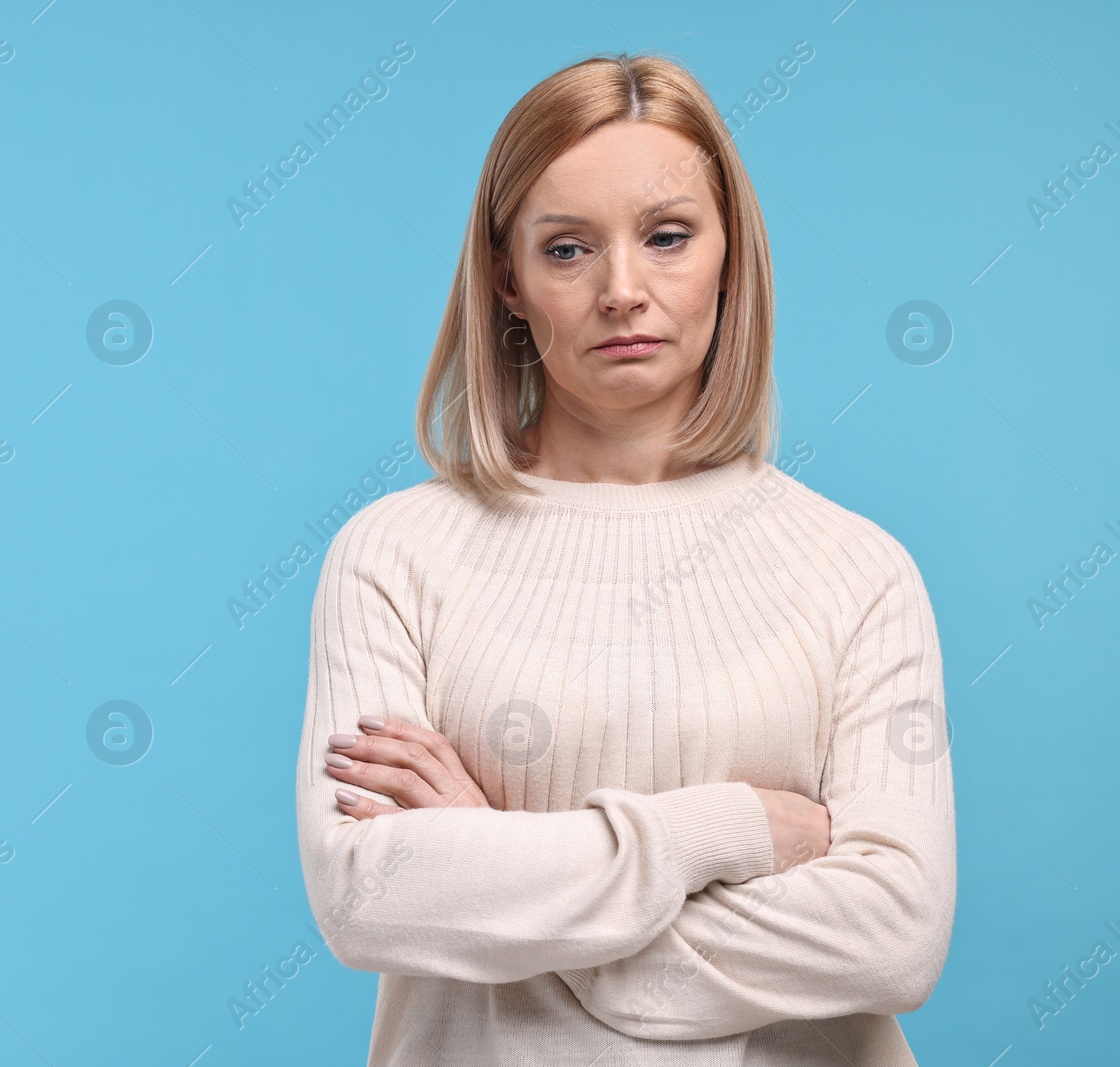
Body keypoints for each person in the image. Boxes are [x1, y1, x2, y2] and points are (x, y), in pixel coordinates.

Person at [294, 51, 955, 1066]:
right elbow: (367, 898)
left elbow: (893, 937)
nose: (621, 289)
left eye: (667, 236)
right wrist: (726, 829)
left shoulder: (855, 569)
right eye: (566, 249)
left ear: (730, 256)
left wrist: (495, 863)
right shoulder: (394, 554)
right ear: (506, 278)